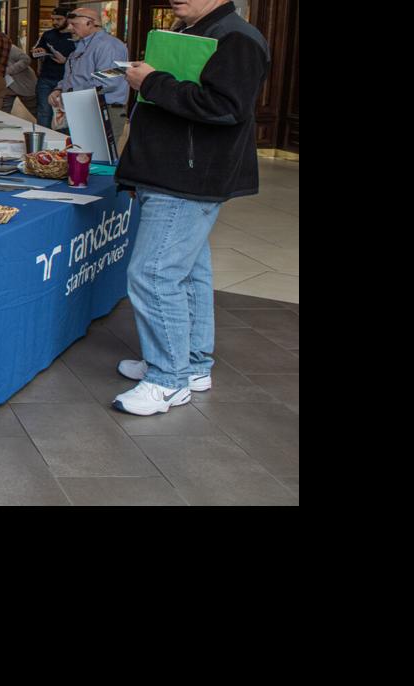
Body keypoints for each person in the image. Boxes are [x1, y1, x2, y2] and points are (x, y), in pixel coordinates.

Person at [110, 0, 270, 416]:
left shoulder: (235, 38)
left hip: (186, 178)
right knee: (189, 274)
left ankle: (167, 379)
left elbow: (226, 108)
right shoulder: (199, 32)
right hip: (173, 171)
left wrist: (153, 81)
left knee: (154, 274)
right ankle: (192, 365)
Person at [51, 7, 129, 141]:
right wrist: (59, 89)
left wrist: (71, 93)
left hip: (105, 109)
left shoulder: (109, 46)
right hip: (84, 106)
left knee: (98, 159)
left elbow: (109, 82)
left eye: (74, 24)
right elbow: (74, 74)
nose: (69, 28)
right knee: (78, 156)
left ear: (90, 23)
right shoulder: (82, 44)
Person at [31, 7, 75, 128]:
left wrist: (65, 61)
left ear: (68, 18)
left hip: (66, 80)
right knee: (44, 112)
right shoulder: (47, 34)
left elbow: (81, 62)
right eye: (53, 19)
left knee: (65, 115)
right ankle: (42, 139)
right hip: (46, 78)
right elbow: (33, 53)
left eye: (59, 19)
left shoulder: (75, 36)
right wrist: (38, 51)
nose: (55, 22)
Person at [3, 43, 36, 118]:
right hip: (6, 87)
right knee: (3, 114)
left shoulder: (9, 48)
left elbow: (26, 59)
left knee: (36, 111)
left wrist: (8, 70)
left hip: (24, 84)